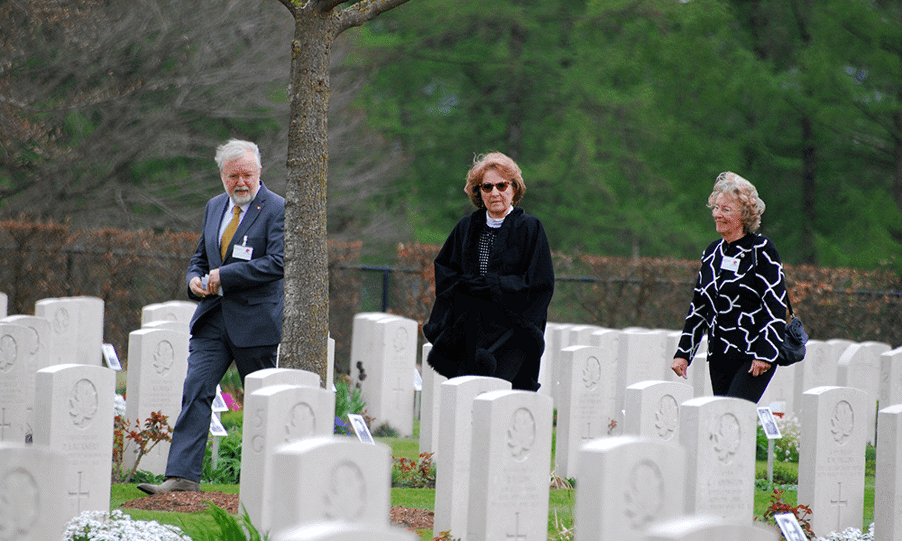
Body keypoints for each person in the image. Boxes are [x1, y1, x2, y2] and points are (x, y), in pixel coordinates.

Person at [138, 139, 284, 494]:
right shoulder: (214, 207)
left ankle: (274, 480)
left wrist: (227, 276)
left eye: (247, 175)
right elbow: (200, 259)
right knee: (196, 390)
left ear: (259, 173)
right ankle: (182, 478)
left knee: (265, 403)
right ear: (222, 176)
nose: (241, 183)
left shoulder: (277, 208)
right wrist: (193, 280)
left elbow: (278, 262)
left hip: (256, 323)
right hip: (213, 320)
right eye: (233, 176)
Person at [423, 152, 554, 391]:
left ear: (514, 188)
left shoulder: (530, 228)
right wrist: (466, 288)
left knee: (503, 398)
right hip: (471, 329)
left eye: (502, 185)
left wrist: (497, 286)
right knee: (467, 395)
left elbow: (540, 282)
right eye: (487, 187)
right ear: (478, 192)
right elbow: (445, 271)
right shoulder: (465, 227)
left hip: (512, 331)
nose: (495, 193)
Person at [671, 171, 787, 403]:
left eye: (726, 210)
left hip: (753, 354)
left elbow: (775, 303)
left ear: (744, 215)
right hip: (720, 354)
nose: (717, 214)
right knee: (724, 422)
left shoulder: (761, 249)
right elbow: (699, 307)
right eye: (716, 208)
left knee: (734, 415)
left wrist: (765, 352)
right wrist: (684, 353)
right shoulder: (712, 252)